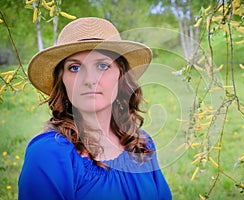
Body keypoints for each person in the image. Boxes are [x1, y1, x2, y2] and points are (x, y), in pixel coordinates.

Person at [18, 17, 172, 200]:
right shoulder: (48, 154)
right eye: (75, 68)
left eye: (102, 65)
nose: (89, 79)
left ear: (120, 76)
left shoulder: (141, 144)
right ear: (62, 80)